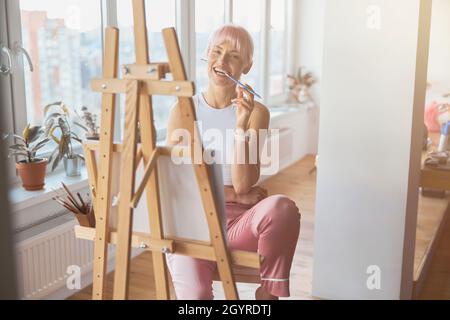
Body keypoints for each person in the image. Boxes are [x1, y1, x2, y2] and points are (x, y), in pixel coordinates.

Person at [165, 24, 301, 300]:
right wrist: (230, 193)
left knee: (283, 208)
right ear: (207, 55)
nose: (222, 62)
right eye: (217, 52)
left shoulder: (257, 113)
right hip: (193, 225)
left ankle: (268, 295)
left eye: (234, 56)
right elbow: (175, 184)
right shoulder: (183, 111)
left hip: (237, 226)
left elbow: (243, 184)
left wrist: (240, 126)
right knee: (197, 298)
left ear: (246, 66)